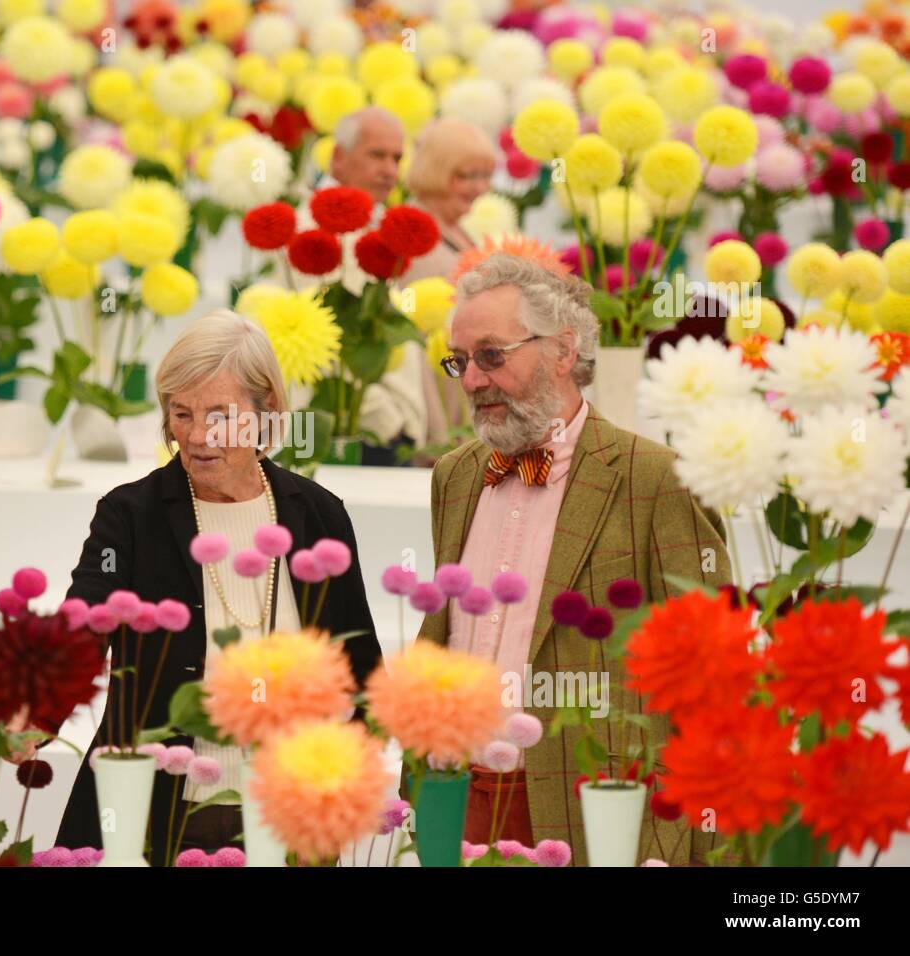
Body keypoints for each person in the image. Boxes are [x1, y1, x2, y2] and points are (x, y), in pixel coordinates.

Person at [416, 253, 731, 866]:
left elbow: (714, 682)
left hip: (594, 812)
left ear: (563, 351)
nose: (472, 381)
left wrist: (678, 839)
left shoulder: (656, 479)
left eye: (491, 355)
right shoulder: (454, 476)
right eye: (460, 361)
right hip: (456, 797)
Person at [54, 310, 383, 864]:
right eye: (181, 413)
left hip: (288, 815)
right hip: (156, 810)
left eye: (220, 416)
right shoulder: (130, 516)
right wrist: (26, 713)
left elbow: (359, 664)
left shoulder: (318, 516)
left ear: (265, 414)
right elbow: (78, 635)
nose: (198, 435)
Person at [297, 108, 423, 465]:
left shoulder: (378, 220)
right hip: (348, 431)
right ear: (338, 157)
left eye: (397, 158)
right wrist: (385, 422)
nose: (389, 170)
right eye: (377, 155)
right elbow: (322, 339)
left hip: (382, 428)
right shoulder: (312, 231)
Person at [401, 117, 498, 457]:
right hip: (442, 409)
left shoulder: (454, 229)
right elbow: (421, 348)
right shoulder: (417, 238)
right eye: (465, 176)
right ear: (434, 171)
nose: (478, 188)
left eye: (484, 176)